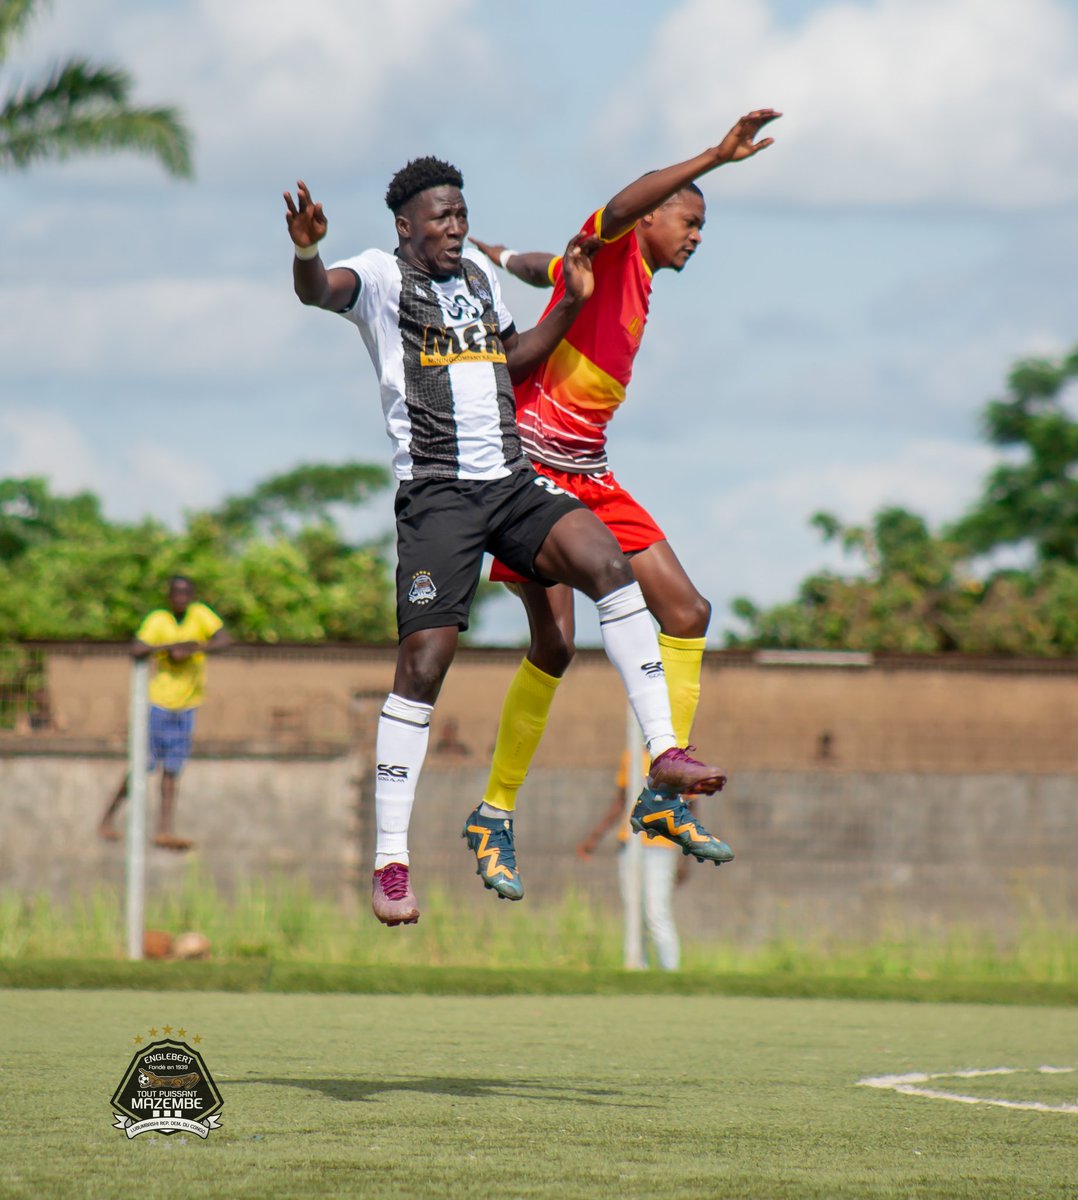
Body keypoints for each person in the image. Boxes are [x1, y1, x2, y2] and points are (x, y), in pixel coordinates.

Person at [284, 157, 729, 926]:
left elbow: (512, 357)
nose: (454, 227)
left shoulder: (482, 285)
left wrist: (567, 309)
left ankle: (662, 753)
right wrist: (306, 253)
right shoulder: (380, 278)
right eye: (439, 217)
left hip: (513, 481)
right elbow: (319, 293)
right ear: (405, 225)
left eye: (461, 215)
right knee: (427, 666)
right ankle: (393, 861)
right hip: (438, 497)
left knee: (610, 570)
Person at [467, 109, 780, 897]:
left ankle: (662, 796)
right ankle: (495, 810)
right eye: (690, 219)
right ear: (651, 216)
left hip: (594, 474)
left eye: (704, 225)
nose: (698, 235)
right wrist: (715, 154)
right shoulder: (615, 239)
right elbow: (624, 200)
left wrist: (498, 253)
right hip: (530, 469)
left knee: (688, 610)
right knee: (556, 645)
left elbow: (547, 267)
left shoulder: (616, 273)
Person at [98, 575, 230, 851]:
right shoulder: (158, 620)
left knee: (172, 769)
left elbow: (224, 640)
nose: (181, 598)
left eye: (186, 593)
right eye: (176, 593)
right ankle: (108, 817)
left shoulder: (200, 616)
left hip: (187, 706)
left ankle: (164, 830)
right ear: (169, 596)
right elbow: (136, 648)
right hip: (158, 704)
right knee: (142, 767)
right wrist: (169, 649)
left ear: (192, 595)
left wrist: (194, 647)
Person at [577, 749, 732, 970]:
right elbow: (621, 800)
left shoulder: (676, 759)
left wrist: (687, 855)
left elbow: (691, 811)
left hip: (660, 846)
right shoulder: (631, 755)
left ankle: (670, 972)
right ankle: (638, 969)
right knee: (634, 910)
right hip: (630, 843)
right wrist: (595, 837)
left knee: (656, 911)